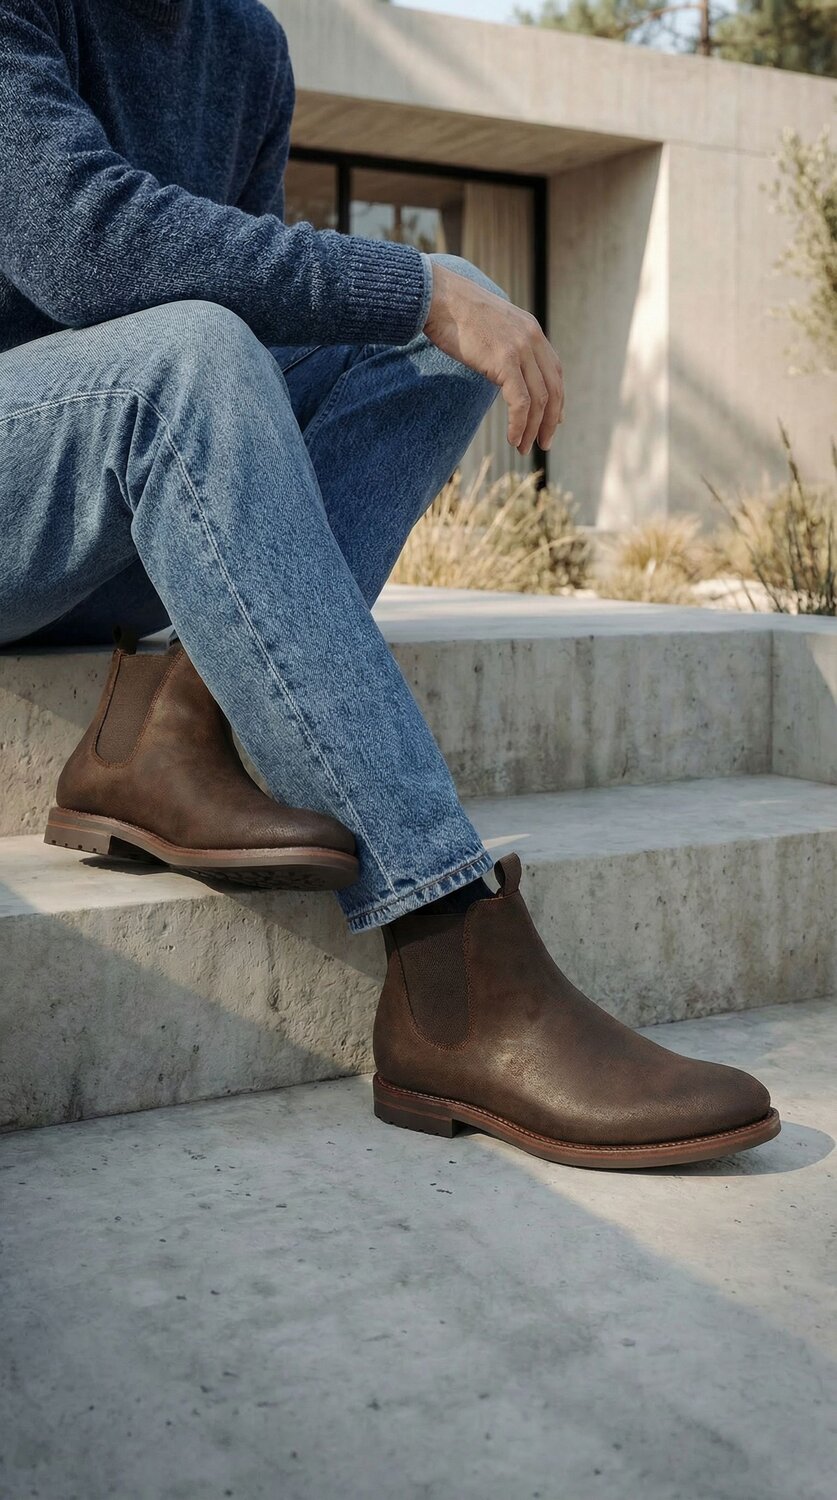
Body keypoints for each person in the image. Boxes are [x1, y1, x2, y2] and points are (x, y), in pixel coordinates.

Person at [0, 0, 779, 1167]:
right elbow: (83, 245)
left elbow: (257, 323)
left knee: (444, 328)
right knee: (224, 345)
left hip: (126, 522)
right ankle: (448, 955)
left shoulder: (245, 44)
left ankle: (168, 731)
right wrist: (409, 284)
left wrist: (434, 299)